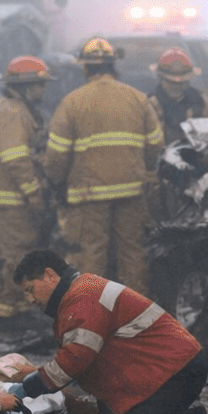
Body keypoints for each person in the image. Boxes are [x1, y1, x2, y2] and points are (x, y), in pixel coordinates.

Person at [9, 249, 208, 414]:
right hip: (171, 371)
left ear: (50, 275)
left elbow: (75, 358)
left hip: (171, 376)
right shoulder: (85, 287)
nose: (29, 299)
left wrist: (28, 387)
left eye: (30, 289)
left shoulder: (81, 297)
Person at [45, 37, 164, 292]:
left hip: (89, 193)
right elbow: (155, 144)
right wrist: (146, 171)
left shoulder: (72, 102)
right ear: (113, 66)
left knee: (91, 254)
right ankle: (137, 313)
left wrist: (56, 182)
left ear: (85, 68)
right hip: (131, 190)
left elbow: (56, 156)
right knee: (132, 252)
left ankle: (92, 314)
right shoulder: (138, 99)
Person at [0, 55, 56, 316]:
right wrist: (33, 191)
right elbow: (15, 158)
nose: (42, 90)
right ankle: (15, 308)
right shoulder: (13, 113)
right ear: (22, 86)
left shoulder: (12, 110)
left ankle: (2, 309)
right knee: (18, 255)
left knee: (1, 256)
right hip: (12, 199)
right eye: (38, 85)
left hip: (3, 198)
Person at [148, 47, 208, 144]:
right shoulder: (151, 104)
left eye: (182, 83)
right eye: (171, 82)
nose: (176, 87)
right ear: (161, 78)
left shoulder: (201, 101)